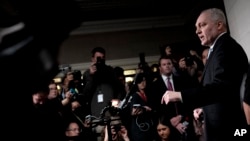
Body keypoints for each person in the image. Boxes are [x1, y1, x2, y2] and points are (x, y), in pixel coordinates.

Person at [161, 8, 249, 141]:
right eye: (196, 27)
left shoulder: (226, 47)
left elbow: (222, 88)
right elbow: (218, 90)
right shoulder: (216, 49)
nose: (197, 31)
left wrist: (180, 95)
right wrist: (204, 108)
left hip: (229, 129)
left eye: (202, 25)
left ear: (219, 25)